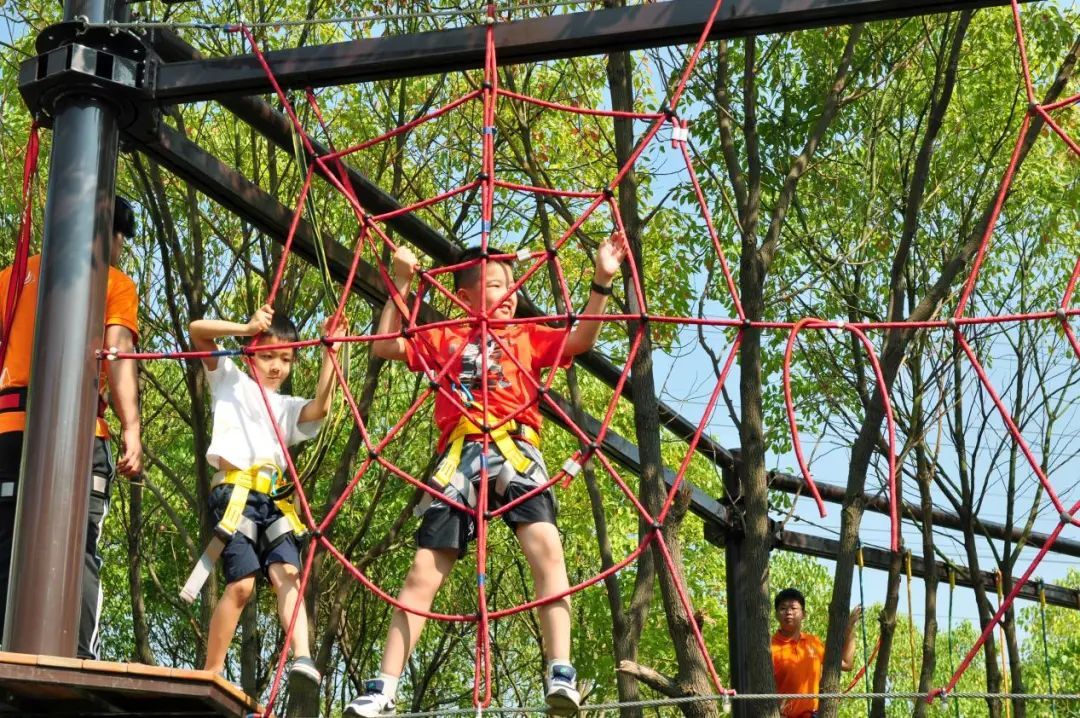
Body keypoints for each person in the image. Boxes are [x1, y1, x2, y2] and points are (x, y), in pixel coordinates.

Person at [344, 234, 627, 717]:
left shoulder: (526, 334)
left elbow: (581, 340)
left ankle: (560, 671)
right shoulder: (445, 336)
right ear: (466, 295)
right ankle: (384, 687)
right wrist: (401, 284)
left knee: (547, 550)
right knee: (423, 569)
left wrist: (601, 280)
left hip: (515, 447)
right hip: (461, 454)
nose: (509, 294)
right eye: (496, 285)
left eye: (511, 286)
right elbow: (385, 344)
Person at [0, 195, 142, 659]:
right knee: (79, 546)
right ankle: (78, 654)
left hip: (9, 429)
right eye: (121, 240)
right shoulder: (114, 282)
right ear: (112, 236)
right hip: (79, 433)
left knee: (6, 537)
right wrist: (131, 427)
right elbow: (117, 354)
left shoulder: (13, 278)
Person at [188, 305, 344, 686]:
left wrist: (331, 353)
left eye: (286, 359)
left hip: (273, 502)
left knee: (287, 574)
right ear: (250, 353)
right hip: (235, 493)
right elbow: (197, 330)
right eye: (268, 356)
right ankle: (211, 669)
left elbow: (320, 407)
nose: (276, 367)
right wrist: (245, 328)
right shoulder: (229, 379)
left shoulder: (285, 408)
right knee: (242, 585)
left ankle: (302, 657)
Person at [771, 587, 862, 718]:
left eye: (793, 608)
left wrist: (850, 628)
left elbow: (846, 664)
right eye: (783, 608)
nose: (788, 612)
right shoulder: (769, 647)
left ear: (804, 614)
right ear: (776, 615)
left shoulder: (813, 642)